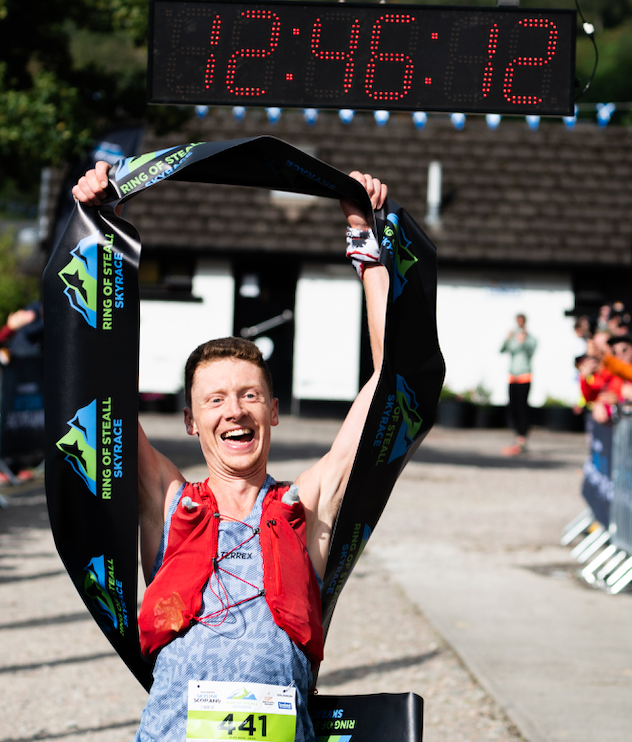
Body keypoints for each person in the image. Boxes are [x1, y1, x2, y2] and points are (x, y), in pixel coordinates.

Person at [73, 162, 390, 742]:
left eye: (249, 396)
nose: (235, 411)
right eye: (215, 400)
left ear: (273, 411)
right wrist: (100, 231)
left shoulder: (307, 506)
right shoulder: (167, 500)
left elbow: (388, 383)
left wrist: (364, 240)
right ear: (192, 422)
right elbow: (95, 380)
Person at [499, 313, 535, 455]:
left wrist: (524, 340)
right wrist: (508, 338)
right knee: (513, 409)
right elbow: (502, 350)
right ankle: (517, 437)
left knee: (522, 408)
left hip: (524, 376)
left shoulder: (530, 338)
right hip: (512, 376)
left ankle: (522, 438)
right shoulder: (512, 336)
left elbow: (531, 352)